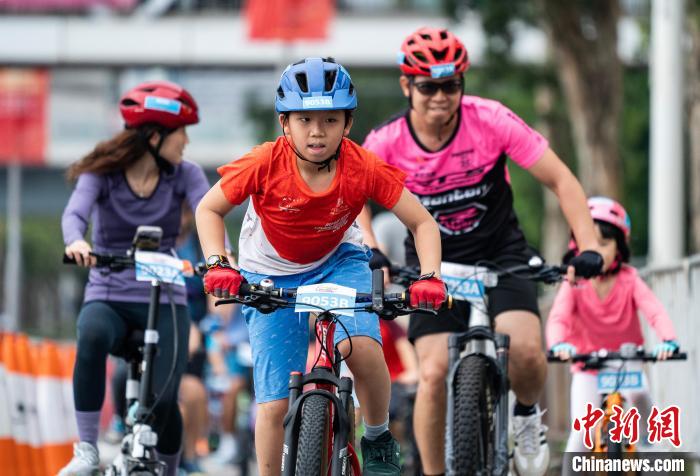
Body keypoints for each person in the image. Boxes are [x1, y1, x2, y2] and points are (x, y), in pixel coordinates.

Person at [358, 27, 604, 476]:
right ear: (406, 85)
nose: (440, 97)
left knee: (528, 352)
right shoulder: (387, 141)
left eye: (451, 85)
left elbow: (562, 181)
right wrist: (371, 248)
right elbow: (356, 197)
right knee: (431, 374)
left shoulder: (490, 120)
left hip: (500, 253)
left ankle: (527, 417)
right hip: (434, 265)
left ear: (462, 84)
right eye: (428, 86)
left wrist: (587, 245)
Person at [194, 57, 447, 476]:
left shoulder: (362, 166)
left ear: (347, 125)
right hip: (267, 270)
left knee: (365, 350)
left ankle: (379, 436)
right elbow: (208, 209)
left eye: (330, 120)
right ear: (284, 123)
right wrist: (218, 265)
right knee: (274, 403)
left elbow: (422, 223)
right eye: (305, 119)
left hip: (337, 260)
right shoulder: (263, 162)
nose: (317, 131)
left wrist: (430, 276)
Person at [60, 80, 218, 476]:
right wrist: (77, 241)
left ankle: (167, 469)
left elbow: (207, 213)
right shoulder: (102, 173)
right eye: (181, 132)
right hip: (109, 293)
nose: (185, 142)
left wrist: (220, 258)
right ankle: (88, 450)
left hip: (165, 298)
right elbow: (75, 213)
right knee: (92, 335)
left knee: (165, 399)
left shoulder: (187, 174)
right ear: (154, 136)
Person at [546, 197, 679, 462]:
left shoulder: (630, 279)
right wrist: (558, 344)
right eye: (589, 244)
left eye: (604, 244)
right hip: (587, 367)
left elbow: (654, 310)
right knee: (581, 437)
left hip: (627, 363)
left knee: (644, 410)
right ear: (576, 248)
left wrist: (669, 340)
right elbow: (558, 317)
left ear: (619, 247)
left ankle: (655, 457)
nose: (597, 251)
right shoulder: (573, 284)